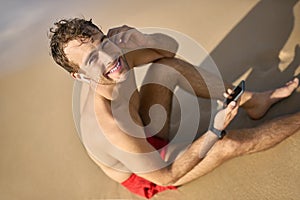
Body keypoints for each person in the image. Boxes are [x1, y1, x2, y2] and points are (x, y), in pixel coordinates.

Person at [49, 18, 300, 198]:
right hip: (149, 169)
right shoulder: (108, 125)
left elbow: (170, 51)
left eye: (102, 43)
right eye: (92, 59)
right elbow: (165, 176)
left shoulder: (116, 57)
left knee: (166, 68)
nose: (108, 58)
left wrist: (142, 39)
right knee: (227, 144)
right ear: (79, 76)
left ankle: (254, 102)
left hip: (144, 127)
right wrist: (214, 130)